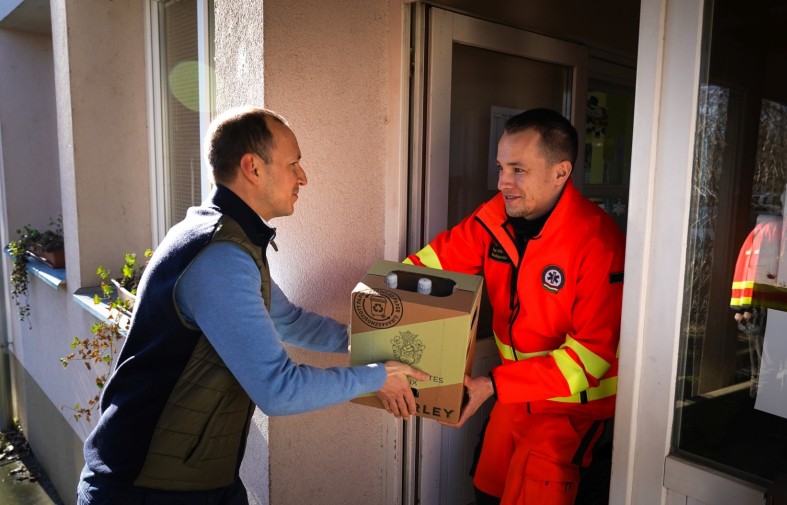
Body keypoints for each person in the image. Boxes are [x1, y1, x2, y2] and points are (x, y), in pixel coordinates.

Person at [77, 107, 427, 505]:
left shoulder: (231, 239)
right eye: (293, 163)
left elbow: (288, 321)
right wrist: (376, 376)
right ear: (253, 167)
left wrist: (367, 343)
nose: (303, 177)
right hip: (145, 488)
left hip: (198, 478)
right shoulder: (219, 257)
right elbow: (278, 390)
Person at [405, 108, 625, 504]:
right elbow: (425, 270)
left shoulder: (599, 244)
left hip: (570, 414)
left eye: (518, 170)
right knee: (486, 491)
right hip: (512, 396)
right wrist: (378, 311)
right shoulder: (492, 221)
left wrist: (493, 385)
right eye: (501, 167)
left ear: (561, 172)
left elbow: (589, 360)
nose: (502, 182)